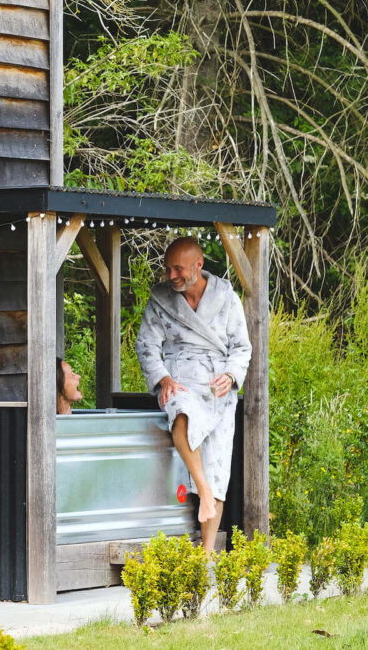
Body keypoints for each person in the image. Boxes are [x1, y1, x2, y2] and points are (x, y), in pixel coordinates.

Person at [136, 237, 252, 555]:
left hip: (217, 387)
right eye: (168, 269)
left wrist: (231, 375)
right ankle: (202, 489)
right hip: (180, 380)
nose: (171, 276)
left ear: (198, 264)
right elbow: (146, 344)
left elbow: (241, 347)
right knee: (181, 413)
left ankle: (206, 555)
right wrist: (163, 378)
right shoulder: (160, 300)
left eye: (178, 269)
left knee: (218, 467)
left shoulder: (225, 298)